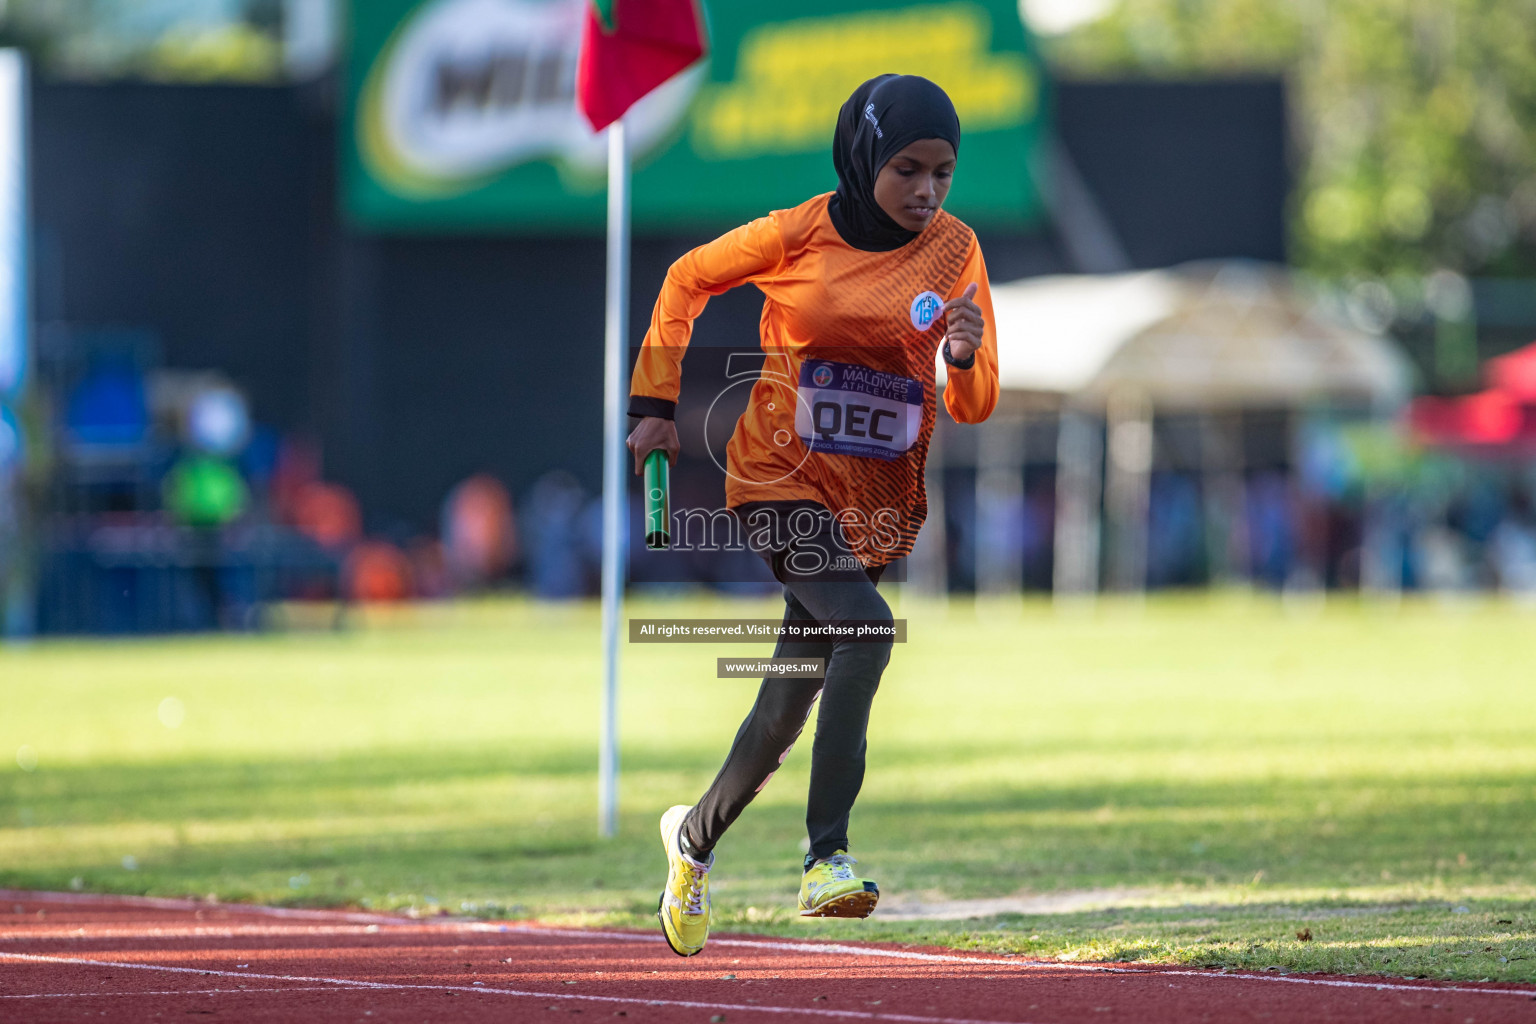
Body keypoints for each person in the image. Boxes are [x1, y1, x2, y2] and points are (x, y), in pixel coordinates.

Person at [626, 74, 999, 957]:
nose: (926, 191)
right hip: (777, 480)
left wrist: (964, 356)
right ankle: (826, 856)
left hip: (874, 503)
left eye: (943, 172)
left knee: (787, 705)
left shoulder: (956, 251)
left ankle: (691, 842)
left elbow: (975, 403)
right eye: (907, 168)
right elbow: (687, 280)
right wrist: (654, 400)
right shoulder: (800, 232)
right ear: (865, 154)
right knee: (867, 634)